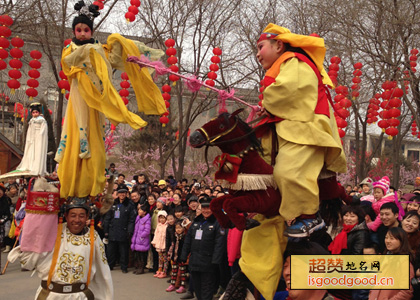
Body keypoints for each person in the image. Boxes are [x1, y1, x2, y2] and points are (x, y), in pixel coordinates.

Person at [54, 0, 166, 200]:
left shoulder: (99, 48)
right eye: (78, 30)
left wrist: (127, 52)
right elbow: (68, 64)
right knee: (77, 131)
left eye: (85, 30)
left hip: (97, 99)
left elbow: (112, 60)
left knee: (94, 135)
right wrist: (89, 51)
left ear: (91, 31)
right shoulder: (70, 49)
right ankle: (73, 173)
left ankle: (91, 181)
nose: (81, 34)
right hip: (80, 96)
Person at [255, 23, 346, 237]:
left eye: (260, 47)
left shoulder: (294, 61)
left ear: (278, 45)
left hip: (306, 131)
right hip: (297, 130)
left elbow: (288, 92)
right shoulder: (288, 65)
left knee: (288, 172)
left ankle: (308, 216)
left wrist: (269, 103)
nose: (258, 54)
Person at [8, 197, 113, 299]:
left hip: (80, 296)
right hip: (51, 296)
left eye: (81, 216)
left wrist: (105, 296)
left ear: (87, 217)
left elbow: (102, 271)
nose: (77, 220)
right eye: (73, 215)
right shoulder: (54, 232)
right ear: (66, 216)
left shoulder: (93, 237)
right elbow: (30, 257)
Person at [180, 195, 224, 300]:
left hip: (208, 262)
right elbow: (188, 240)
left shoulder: (217, 222)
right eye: (203, 208)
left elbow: (219, 243)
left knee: (207, 288)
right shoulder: (196, 222)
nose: (206, 210)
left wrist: (216, 260)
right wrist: (183, 255)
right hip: (195, 261)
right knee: (197, 288)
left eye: (208, 208)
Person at [369, 227, 414, 300]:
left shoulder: (404, 262)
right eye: (386, 238)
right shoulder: (386, 258)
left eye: (392, 238)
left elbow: (407, 292)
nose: (388, 241)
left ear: (401, 241)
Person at [103, 185, 136, 273]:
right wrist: (106, 230)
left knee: (123, 251)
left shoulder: (130, 205)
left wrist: (129, 230)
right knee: (111, 250)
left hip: (123, 230)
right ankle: (110, 265)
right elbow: (108, 218)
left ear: (126, 194)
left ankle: (124, 267)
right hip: (113, 230)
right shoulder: (113, 204)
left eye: (124, 193)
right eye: (120, 193)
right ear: (118, 194)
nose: (122, 195)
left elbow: (131, 220)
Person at [15, 103, 48, 176]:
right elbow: (29, 129)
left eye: (36, 112)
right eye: (33, 112)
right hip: (32, 137)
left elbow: (43, 129)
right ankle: (30, 165)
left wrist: (40, 135)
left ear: (39, 113)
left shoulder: (42, 120)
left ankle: (37, 167)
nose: (35, 114)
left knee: (38, 151)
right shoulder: (31, 120)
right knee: (31, 150)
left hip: (39, 136)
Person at [166, 220, 188, 293]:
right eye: (176, 228)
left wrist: (185, 257)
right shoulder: (174, 236)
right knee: (174, 272)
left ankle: (182, 286)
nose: (178, 229)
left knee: (182, 273)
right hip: (174, 257)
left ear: (183, 228)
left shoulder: (185, 237)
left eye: (180, 228)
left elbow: (186, 248)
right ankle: (172, 284)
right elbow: (172, 246)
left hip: (181, 257)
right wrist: (169, 254)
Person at [131, 204, 151, 274]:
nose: (139, 211)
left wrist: (141, 236)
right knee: (137, 255)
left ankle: (141, 268)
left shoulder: (147, 220)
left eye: (140, 210)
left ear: (144, 212)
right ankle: (138, 267)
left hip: (142, 240)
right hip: (137, 239)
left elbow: (147, 230)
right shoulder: (138, 218)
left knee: (142, 256)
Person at [151, 210, 168, 278]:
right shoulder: (158, 225)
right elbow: (156, 234)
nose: (161, 219)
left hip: (164, 244)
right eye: (160, 218)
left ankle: (164, 271)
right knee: (160, 259)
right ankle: (159, 270)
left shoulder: (167, 226)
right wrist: (154, 242)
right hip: (159, 244)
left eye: (163, 218)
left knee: (165, 259)